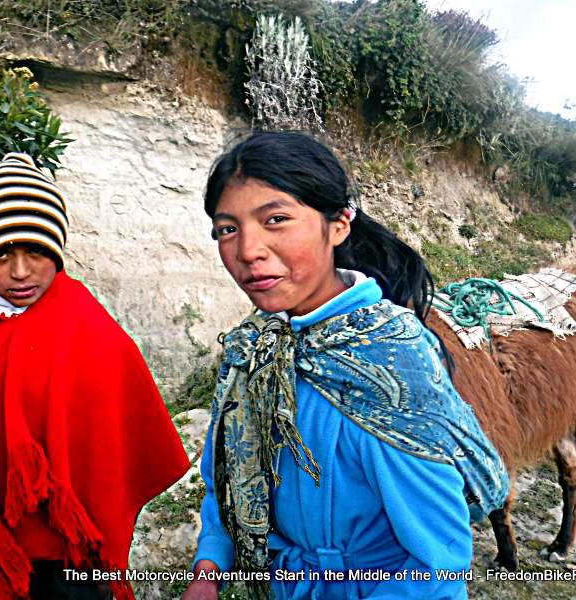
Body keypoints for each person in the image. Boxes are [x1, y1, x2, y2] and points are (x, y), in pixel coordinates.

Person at [182, 133, 509, 600]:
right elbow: (226, 480)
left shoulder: (393, 361)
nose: (248, 250)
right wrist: (207, 570)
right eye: (227, 229)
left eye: (276, 219)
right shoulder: (252, 352)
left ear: (338, 225)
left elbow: (437, 569)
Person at [0, 153, 190, 600]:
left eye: (36, 251)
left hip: (73, 555)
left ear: (56, 251)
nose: (20, 272)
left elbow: (123, 427)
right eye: (0, 254)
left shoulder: (87, 324)